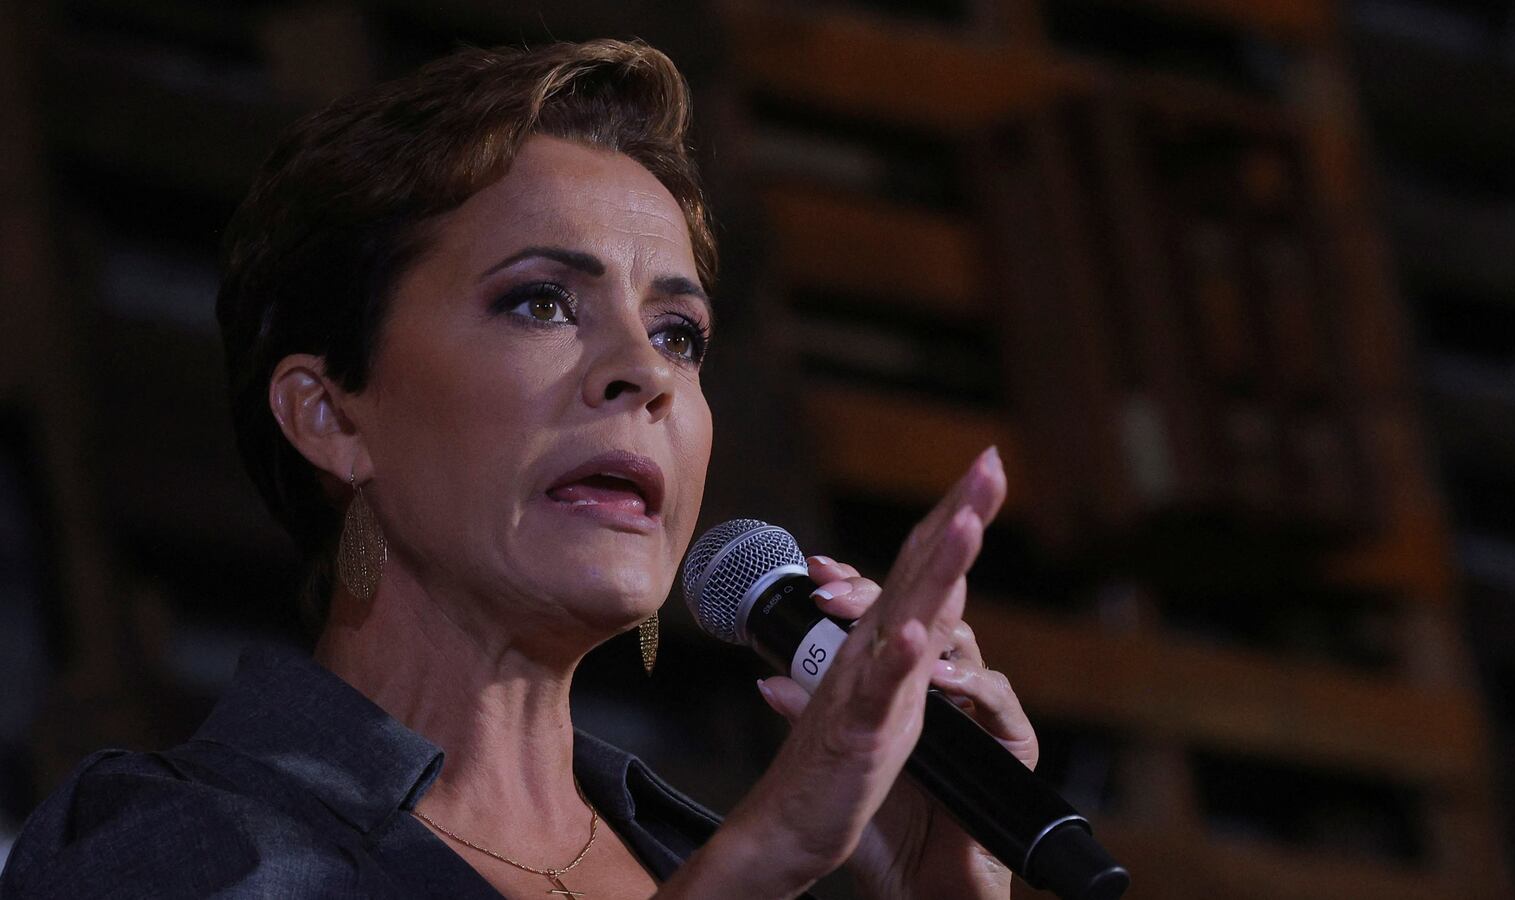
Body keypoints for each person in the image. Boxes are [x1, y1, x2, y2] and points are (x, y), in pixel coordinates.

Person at [0, 39, 1035, 899]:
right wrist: (754, 869)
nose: (644, 373)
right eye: (540, 301)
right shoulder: (171, 846)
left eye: (679, 333)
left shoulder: (690, 854)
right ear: (329, 417)